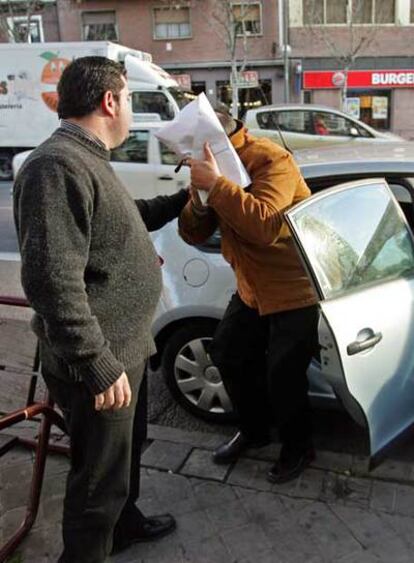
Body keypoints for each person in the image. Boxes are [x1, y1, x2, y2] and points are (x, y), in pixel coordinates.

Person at [13, 56, 189, 562]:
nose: (132, 110)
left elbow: (125, 220)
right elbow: (51, 281)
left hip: (124, 348)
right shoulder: (56, 166)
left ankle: (125, 527)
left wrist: (185, 198)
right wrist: (96, 362)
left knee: (123, 463)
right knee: (97, 484)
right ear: (109, 101)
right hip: (99, 360)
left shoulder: (88, 158)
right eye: (131, 99)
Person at [178, 110, 319, 484]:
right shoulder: (207, 167)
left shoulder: (272, 159)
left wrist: (217, 184)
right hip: (251, 287)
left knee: (284, 376)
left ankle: (299, 446)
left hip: (294, 289)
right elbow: (192, 233)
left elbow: (265, 226)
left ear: (218, 139)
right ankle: (255, 431)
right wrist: (199, 199)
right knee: (227, 353)